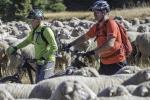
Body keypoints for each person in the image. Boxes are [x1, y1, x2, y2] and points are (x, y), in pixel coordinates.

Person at [64, 0, 127, 75]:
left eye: (96, 12)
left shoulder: (111, 23)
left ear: (104, 11)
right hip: (104, 62)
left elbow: (110, 44)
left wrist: (92, 52)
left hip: (116, 63)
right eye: (93, 12)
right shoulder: (97, 26)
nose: (94, 14)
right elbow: (85, 37)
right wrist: (70, 45)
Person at [6, 9, 58, 82]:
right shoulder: (34, 31)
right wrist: (16, 47)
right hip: (38, 61)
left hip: (47, 61)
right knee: (37, 84)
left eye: (32, 20)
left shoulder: (46, 31)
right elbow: (27, 41)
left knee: (42, 83)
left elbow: (54, 47)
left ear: (38, 19)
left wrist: (44, 58)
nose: (30, 22)